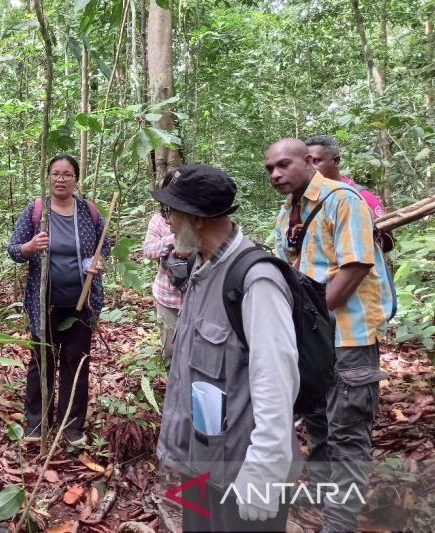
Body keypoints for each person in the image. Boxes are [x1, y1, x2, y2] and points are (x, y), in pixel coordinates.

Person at [155, 165, 300, 532]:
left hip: (241, 471)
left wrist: (264, 470)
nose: (168, 223)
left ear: (197, 219)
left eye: (172, 213)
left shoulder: (257, 281)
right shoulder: (201, 270)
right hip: (202, 463)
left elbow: (276, 381)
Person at [265, 139, 393, 532]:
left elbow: (354, 267)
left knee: (348, 432)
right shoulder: (289, 212)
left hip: (349, 337)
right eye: (269, 169)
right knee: (318, 422)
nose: (275, 175)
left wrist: (314, 318)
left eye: (283, 165)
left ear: (309, 162)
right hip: (314, 340)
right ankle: (325, 501)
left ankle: (339, 523)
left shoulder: (344, 200)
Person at [8, 154, 109, 446]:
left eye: (67, 174)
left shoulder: (88, 212)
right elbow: (14, 250)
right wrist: (29, 247)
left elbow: (105, 247)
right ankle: (37, 423)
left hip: (82, 303)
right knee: (42, 360)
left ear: (76, 179)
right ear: (48, 177)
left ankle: (72, 426)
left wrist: (96, 261)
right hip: (44, 303)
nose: (61, 179)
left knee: (75, 361)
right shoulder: (36, 210)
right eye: (55, 173)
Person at [306, 134, 395, 252]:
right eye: (307, 162)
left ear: (336, 161)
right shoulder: (309, 198)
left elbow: (388, 240)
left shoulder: (361, 196)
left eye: (316, 161)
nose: (310, 167)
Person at [143, 174, 184, 360]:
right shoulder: (159, 220)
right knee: (171, 350)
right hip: (167, 295)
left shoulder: (201, 219)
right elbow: (148, 250)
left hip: (195, 296)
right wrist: (173, 241)